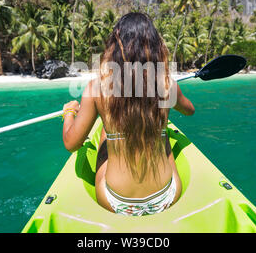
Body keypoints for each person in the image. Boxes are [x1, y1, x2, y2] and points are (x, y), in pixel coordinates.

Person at [62, 12, 195, 216]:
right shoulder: (167, 84)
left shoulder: (96, 88)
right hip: (167, 195)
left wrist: (70, 112)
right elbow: (189, 111)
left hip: (116, 201)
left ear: (114, 47)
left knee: (107, 134)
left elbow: (72, 144)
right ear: (155, 47)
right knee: (162, 133)